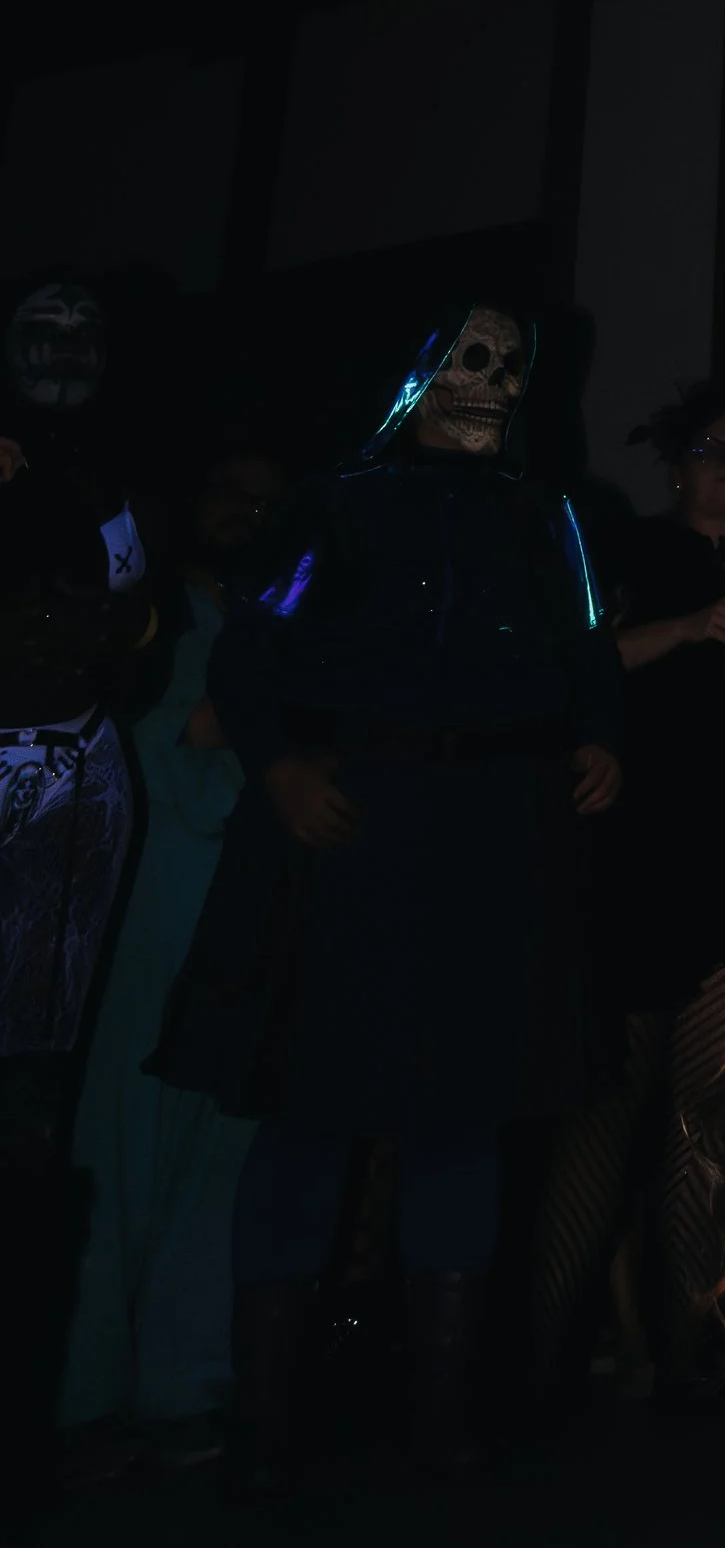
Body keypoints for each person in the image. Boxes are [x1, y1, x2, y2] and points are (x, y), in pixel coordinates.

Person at [151, 306, 623, 1500]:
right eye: (472, 357)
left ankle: (440, 1414)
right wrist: (281, 766)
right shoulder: (335, 503)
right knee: (310, 1113)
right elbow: (249, 652)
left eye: (514, 365)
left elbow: (587, 652)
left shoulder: (545, 513)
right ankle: (260, 1419)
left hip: (493, 854)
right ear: (418, 375)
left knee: (460, 1119)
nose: (497, 382)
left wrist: (601, 739)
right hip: (354, 840)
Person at [535, 388, 725, 1404]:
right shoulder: (633, 549)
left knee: (713, 1123)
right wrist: (692, 623)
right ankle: (537, 1361)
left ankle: (696, 1361)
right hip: (641, 860)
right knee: (604, 1116)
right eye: (707, 448)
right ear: (676, 467)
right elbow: (572, 661)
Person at [57, 446, 285, 1467]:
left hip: (242, 920)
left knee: (216, 1156)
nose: (245, 506)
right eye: (228, 485)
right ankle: (79, 1390)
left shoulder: (270, 612)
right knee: (117, 1148)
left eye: (263, 494)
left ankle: (181, 1384)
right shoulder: (139, 615)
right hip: (143, 917)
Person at [0, 278, 155, 1496]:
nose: (61, 354)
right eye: (36, 333)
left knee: (33, 1106)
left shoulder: (109, 474)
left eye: (81, 334)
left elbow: (128, 625)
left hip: (64, 788)